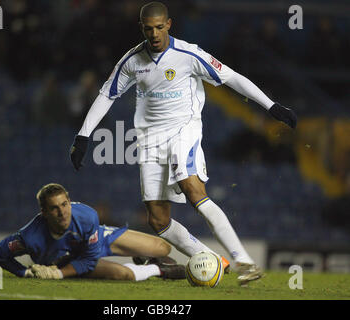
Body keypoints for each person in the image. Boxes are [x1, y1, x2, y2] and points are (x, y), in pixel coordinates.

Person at [69, 2, 297, 285]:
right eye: (148, 28)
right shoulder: (132, 61)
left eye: (159, 27)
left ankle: (244, 262)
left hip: (183, 131)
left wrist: (271, 106)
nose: (154, 34)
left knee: (192, 189)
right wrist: (83, 136)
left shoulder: (188, 54)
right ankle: (212, 258)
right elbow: (106, 95)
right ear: (142, 28)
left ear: (168, 25)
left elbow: (231, 77)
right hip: (150, 140)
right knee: (158, 220)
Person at [0, 183, 191, 281]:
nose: (62, 212)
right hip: (70, 259)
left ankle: (147, 257)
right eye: (54, 208)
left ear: (69, 201)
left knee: (162, 248)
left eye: (64, 204)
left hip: (94, 243)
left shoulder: (87, 216)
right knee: (123, 275)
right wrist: (23, 273)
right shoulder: (30, 237)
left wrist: (57, 275)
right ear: (44, 212)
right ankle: (158, 270)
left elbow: (90, 256)